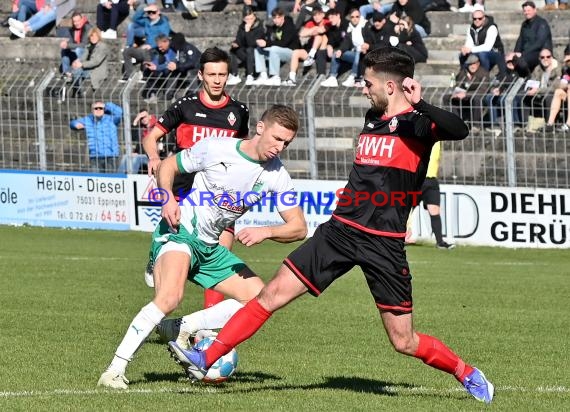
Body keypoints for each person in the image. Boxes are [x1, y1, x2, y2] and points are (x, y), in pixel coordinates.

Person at [170, 47, 494, 405]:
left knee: (403, 341)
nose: (362, 88)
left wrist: (422, 105)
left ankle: (466, 372)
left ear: (391, 86)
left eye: (367, 82)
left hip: (383, 243)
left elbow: (459, 129)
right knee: (270, 295)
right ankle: (206, 357)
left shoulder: (419, 124)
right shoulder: (373, 117)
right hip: (338, 232)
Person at [97, 105, 307, 389]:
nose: (279, 147)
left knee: (262, 297)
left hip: (210, 248)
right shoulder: (217, 149)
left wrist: (267, 231)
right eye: (277, 138)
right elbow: (169, 166)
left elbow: (299, 227)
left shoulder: (276, 175)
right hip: (181, 231)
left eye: (286, 143)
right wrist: (168, 199)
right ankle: (115, 369)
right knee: (170, 297)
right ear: (260, 128)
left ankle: (180, 327)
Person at [142, 47, 250, 309]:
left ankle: (205, 328)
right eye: (211, 74)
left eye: (222, 74)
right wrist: (155, 158)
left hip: (219, 196)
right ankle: (157, 262)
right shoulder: (185, 106)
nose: (217, 80)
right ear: (201, 74)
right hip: (183, 193)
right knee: (171, 264)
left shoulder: (239, 111)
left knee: (220, 255)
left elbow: (243, 152)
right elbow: (151, 138)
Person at [406, 142, 454, 249]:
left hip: (431, 181)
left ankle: (440, 242)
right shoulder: (420, 138)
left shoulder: (438, 141)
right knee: (406, 211)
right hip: (417, 180)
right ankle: (400, 237)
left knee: (435, 211)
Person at [121, 3, 172, 82]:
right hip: (145, 48)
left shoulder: (163, 24)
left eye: (153, 12)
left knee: (147, 52)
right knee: (127, 51)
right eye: (149, 12)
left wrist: (151, 46)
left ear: (158, 12)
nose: (151, 14)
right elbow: (135, 19)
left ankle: (145, 76)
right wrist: (144, 10)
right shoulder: (147, 21)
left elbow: (165, 40)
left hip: (156, 50)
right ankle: (129, 76)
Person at [69, 100, 122, 173]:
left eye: (101, 108)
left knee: (111, 180)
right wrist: (75, 125)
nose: (98, 110)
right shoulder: (88, 120)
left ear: (104, 109)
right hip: (95, 156)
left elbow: (120, 113)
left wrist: (107, 105)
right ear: (92, 110)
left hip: (111, 155)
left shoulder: (111, 119)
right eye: (96, 108)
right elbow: (72, 123)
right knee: (96, 180)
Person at [252, 7, 300, 86]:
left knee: (274, 49)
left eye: (277, 18)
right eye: (274, 18)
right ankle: (263, 75)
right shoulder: (273, 27)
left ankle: (275, 76)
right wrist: (261, 41)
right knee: (258, 50)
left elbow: (283, 43)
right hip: (277, 52)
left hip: (291, 52)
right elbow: (266, 38)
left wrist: (266, 44)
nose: (275, 20)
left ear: (282, 17)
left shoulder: (289, 26)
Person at [320, 8, 366, 88]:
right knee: (336, 53)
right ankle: (332, 78)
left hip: (361, 53)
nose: (330, 20)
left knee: (354, 52)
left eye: (332, 17)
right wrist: (329, 46)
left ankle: (353, 76)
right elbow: (333, 41)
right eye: (329, 18)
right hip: (349, 53)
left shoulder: (348, 25)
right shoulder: (332, 28)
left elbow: (348, 42)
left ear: (338, 16)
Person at [459, 4, 505, 77]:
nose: (477, 20)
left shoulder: (492, 27)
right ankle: (463, 77)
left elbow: (487, 47)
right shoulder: (471, 28)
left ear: (484, 18)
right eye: (475, 19)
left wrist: (470, 49)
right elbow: (469, 43)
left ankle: (484, 78)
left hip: (495, 52)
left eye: (479, 18)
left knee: (482, 54)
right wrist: (465, 48)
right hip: (479, 51)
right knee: (462, 54)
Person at [506, 1, 552, 74]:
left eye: (529, 10)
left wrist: (522, 54)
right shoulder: (524, 24)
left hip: (538, 52)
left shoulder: (542, 23)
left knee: (521, 61)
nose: (527, 13)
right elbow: (520, 40)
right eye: (525, 11)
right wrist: (515, 53)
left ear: (535, 10)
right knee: (509, 60)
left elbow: (539, 43)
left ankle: (527, 78)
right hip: (526, 52)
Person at [227, 6, 265, 86]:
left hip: (256, 53)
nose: (250, 21)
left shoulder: (259, 26)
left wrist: (247, 31)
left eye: (251, 18)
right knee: (233, 50)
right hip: (245, 52)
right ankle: (234, 74)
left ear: (254, 16)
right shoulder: (242, 26)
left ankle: (250, 75)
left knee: (250, 49)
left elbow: (252, 43)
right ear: (244, 19)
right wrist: (235, 43)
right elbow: (239, 40)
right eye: (247, 19)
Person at [70, 27, 110, 97]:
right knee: (76, 69)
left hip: (96, 70)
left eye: (95, 36)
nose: (93, 38)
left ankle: (76, 90)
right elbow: (82, 58)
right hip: (87, 69)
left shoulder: (103, 47)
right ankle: (77, 90)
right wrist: (76, 63)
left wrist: (81, 64)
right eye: (91, 36)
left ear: (98, 36)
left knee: (78, 69)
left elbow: (96, 61)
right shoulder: (88, 46)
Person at [140, 34, 178, 103]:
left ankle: (170, 95)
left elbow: (170, 65)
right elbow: (151, 60)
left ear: (166, 42)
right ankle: (152, 93)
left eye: (161, 46)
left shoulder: (174, 50)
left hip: (170, 74)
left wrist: (157, 67)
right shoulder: (155, 50)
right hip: (159, 74)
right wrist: (149, 64)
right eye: (158, 46)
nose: (159, 48)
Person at [118, 109, 158, 174]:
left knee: (137, 159)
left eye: (144, 116)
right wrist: (136, 119)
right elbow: (131, 137)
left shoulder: (156, 126)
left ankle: (132, 177)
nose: (143, 119)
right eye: (141, 118)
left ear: (149, 116)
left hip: (151, 155)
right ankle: (119, 177)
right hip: (140, 154)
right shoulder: (141, 129)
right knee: (125, 156)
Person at [59, 11, 92, 81]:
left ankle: (77, 71)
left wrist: (68, 45)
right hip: (76, 53)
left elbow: (84, 44)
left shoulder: (88, 28)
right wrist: (65, 44)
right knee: (64, 50)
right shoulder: (72, 30)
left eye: (78, 21)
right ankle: (67, 73)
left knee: (78, 49)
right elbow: (70, 43)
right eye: (74, 21)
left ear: (82, 19)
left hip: (86, 53)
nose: (76, 23)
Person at [543, 51, 570, 133]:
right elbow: (562, 84)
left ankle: (568, 124)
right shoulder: (566, 70)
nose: (567, 63)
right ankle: (550, 124)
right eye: (567, 61)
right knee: (558, 92)